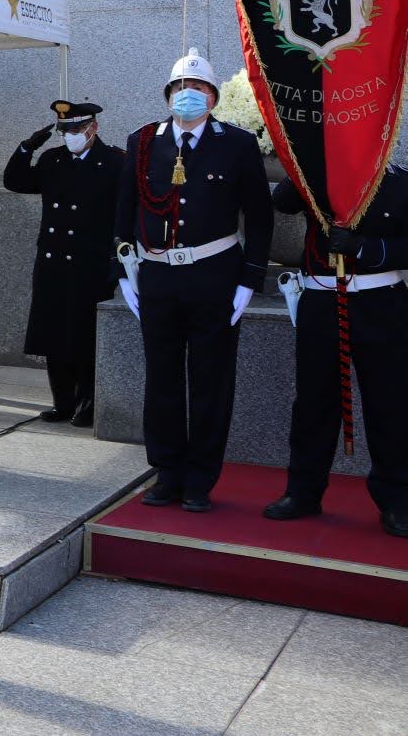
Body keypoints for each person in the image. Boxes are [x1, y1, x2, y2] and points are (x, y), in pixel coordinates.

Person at [115, 48, 271, 513]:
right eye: (181, 88)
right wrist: (123, 271)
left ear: (213, 97)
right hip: (158, 276)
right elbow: (124, 208)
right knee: (162, 378)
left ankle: (201, 478)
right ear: (168, 96)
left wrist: (250, 279)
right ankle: (167, 472)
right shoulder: (144, 141)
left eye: (198, 89)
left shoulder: (236, 144)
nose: (189, 95)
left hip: (215, 276)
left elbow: (260, 216)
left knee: (211, 381)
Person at [267, 168, 408, 538]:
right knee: (313, 402)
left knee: (389, 403)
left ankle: (397, 499)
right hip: (322, 300)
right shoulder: (317, 175)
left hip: (381, 302)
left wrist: (363, 248)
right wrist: (308, 163)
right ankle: (303, 491)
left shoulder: (399, 182)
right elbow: (282, 201)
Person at [3, 100, 123, 426]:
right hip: (53, 262)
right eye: (64, 130)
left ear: (93, 128)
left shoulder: (114, 162)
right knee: (54, 335)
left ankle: (89, 402)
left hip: (90, 264)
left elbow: (125, 211)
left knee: (84, 336)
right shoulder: (52, 159)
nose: (70, 135)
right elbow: (15, 181)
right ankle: (63, 402)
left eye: (76, 129)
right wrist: (27, 147)